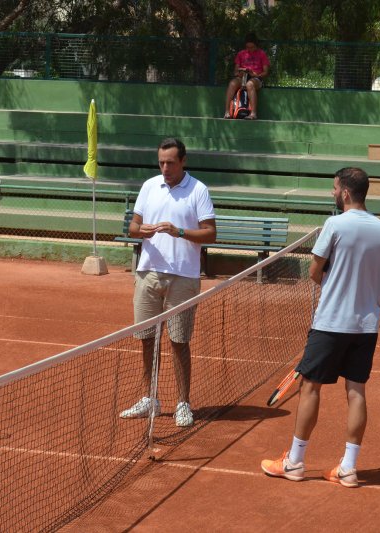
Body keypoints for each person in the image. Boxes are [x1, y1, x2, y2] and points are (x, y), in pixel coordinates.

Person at [261, 167, 380, 487]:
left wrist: (333, 275)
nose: (332, 193)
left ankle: (294, 462)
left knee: (310, 388)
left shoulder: (334, 224)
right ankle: (348, 468)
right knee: (356, 391)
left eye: (334, 188)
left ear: (345, 193)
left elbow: (315, 273)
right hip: (367, 324)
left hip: (332, 321)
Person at [119, 138, 216, 427]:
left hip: (183, 277)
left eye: (170, 163)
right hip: (148, 274)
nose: (165, 168)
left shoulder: (198, 190)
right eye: (161, 162)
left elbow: (210, 234)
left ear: (183, 161)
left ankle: (183, 402)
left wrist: (181, 232)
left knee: (178, 341)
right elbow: (133, 227)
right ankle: (150, 397)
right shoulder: (149, 186)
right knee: (147, 338)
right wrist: (142, 231)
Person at [223, 32, 270, 120]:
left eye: (252, 47)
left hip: (256, 78)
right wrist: (239, 73)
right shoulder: (241, 54)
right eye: (248, 47)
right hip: (243, 77)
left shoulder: (262, 54)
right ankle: (227, 112)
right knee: (232, 83)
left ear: (256, 45)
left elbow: (266, 72)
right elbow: (236, 71)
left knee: (250, 84)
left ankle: (253, 113)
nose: (250, 49)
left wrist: (255, 74)